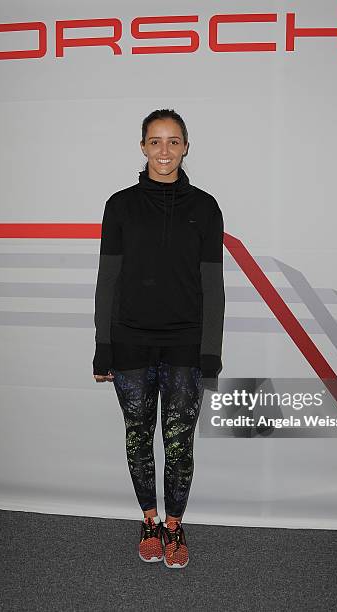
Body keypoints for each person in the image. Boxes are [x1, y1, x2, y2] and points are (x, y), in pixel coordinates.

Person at [92, 108, 225, 569]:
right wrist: (102, 346)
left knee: (179, 443)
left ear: (186, 146)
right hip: (129, 341)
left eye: (173, 141)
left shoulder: (205, 207)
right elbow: (107, 279)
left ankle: (175, 524)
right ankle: (149, 519)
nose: (164, 150)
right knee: (137, 437)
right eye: (155, 141)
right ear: (143, 146)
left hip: (186, 343)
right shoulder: (120, 205)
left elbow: (213, 285)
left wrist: (211, 351)